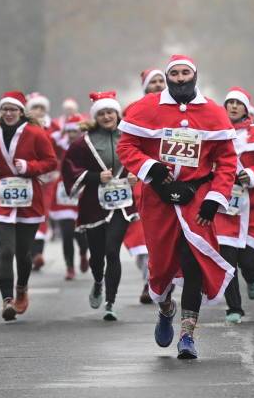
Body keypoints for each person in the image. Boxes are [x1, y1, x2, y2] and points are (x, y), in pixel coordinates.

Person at [117, 54, 237, 359]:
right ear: (168, 77)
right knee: (161, 266)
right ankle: (166, 307)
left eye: (186, 73)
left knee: (194, 257)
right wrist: (151, 168)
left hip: (197, 196)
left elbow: (226, 160)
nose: (181, 78)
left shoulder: (213, 111)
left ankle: (188, 332)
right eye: (176, 73)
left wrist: (215, 198)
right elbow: (126, 147)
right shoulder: (145, 108)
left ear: (195, 75)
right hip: (158, 198)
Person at [0, 90, 58, 321]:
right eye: (5, 109)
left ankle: (21, 288)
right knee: (6, 250)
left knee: (23, 253)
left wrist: (29, 166)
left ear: (21, 112)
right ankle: (7, 301)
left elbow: (51, 161)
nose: (9, 113)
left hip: (28, 199)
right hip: (0, 197)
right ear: (0, 112)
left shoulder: (35, 133)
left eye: (13, 109)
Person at [62, 91, 138, 321]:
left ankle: (111, 302)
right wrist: (95, 177)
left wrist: (137, 174)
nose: (107, 117)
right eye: (102, 113)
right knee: (97, 255)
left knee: (112, 250)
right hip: (94, 204)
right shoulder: (83, 142)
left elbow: (144, 158)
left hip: (121, 204)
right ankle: (97, 281)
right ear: (96, 116)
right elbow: (69, 167)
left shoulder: (130, 136)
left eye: (110, 112)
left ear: (117, 113)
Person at [214, 86, 254, 324]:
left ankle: (251, 278)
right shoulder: (215, 133)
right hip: (225, 208)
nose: (233, 106)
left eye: (237, 103)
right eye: (229, 102)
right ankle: (234, 308)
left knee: (248, 260)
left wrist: (251, 175)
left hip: (253, 208)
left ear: (246, 109)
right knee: (226, 261)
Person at [123, 67, 167, 304]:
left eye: (162, 80)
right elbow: (127, 146)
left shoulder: (178, 109)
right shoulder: (133, 110)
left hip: (173, 179)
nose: (159, 85)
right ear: (145, 87)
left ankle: (166, 282)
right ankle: (149, 280)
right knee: (142, 234)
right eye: (154, 81)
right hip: (143, 178)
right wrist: (133, 168)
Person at [49, 114, 89, 280]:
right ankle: (69, 266)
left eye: (75, 131)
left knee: (80, 231)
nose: (72, 134)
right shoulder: (61, 145)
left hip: (82, 188)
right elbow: (48, 139)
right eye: (69, 131)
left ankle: (83, 252)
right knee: (66, 232)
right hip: (63, 191)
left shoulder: (87, 145)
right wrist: (62, 128)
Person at [26, 92, 61, 271]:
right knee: (28, 213)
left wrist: (58, 169)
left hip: (48, 179)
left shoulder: (54, 128)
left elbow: (62, 151)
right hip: (27, 179)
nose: (38, 111)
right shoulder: (22, 127)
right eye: (35, 107)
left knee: (43, 212)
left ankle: (38, 253)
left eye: (42, 108)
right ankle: (30, 253)